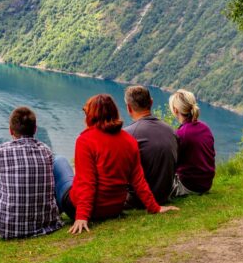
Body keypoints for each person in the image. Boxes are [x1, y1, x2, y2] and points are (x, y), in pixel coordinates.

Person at [64, 94, 178, 235]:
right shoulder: (129, 140)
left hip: (88, 210)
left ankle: (49, 217)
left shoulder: (85, 140)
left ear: (91, 115)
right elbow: (138, 180)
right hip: (114, 208)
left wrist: (81, 216)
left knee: (60, 167)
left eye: (86, 112)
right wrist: (154, 207)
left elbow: (87, 182)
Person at [0, 106, 64, 239]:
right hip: (45, 224)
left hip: (8, 228)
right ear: (35, 129)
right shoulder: (46, 151)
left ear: (11, 130)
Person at [123, 85, 179, 206]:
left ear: (128, 108)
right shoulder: (170, 130)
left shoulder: (127, 134)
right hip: (164, 195)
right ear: (151, 102)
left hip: (139, 199)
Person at [169, 89, 216, 196]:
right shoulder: (205, 128)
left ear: (176, 110)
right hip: (206, 184)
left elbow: (172, 163)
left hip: (189, 186)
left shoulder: (181, 133)